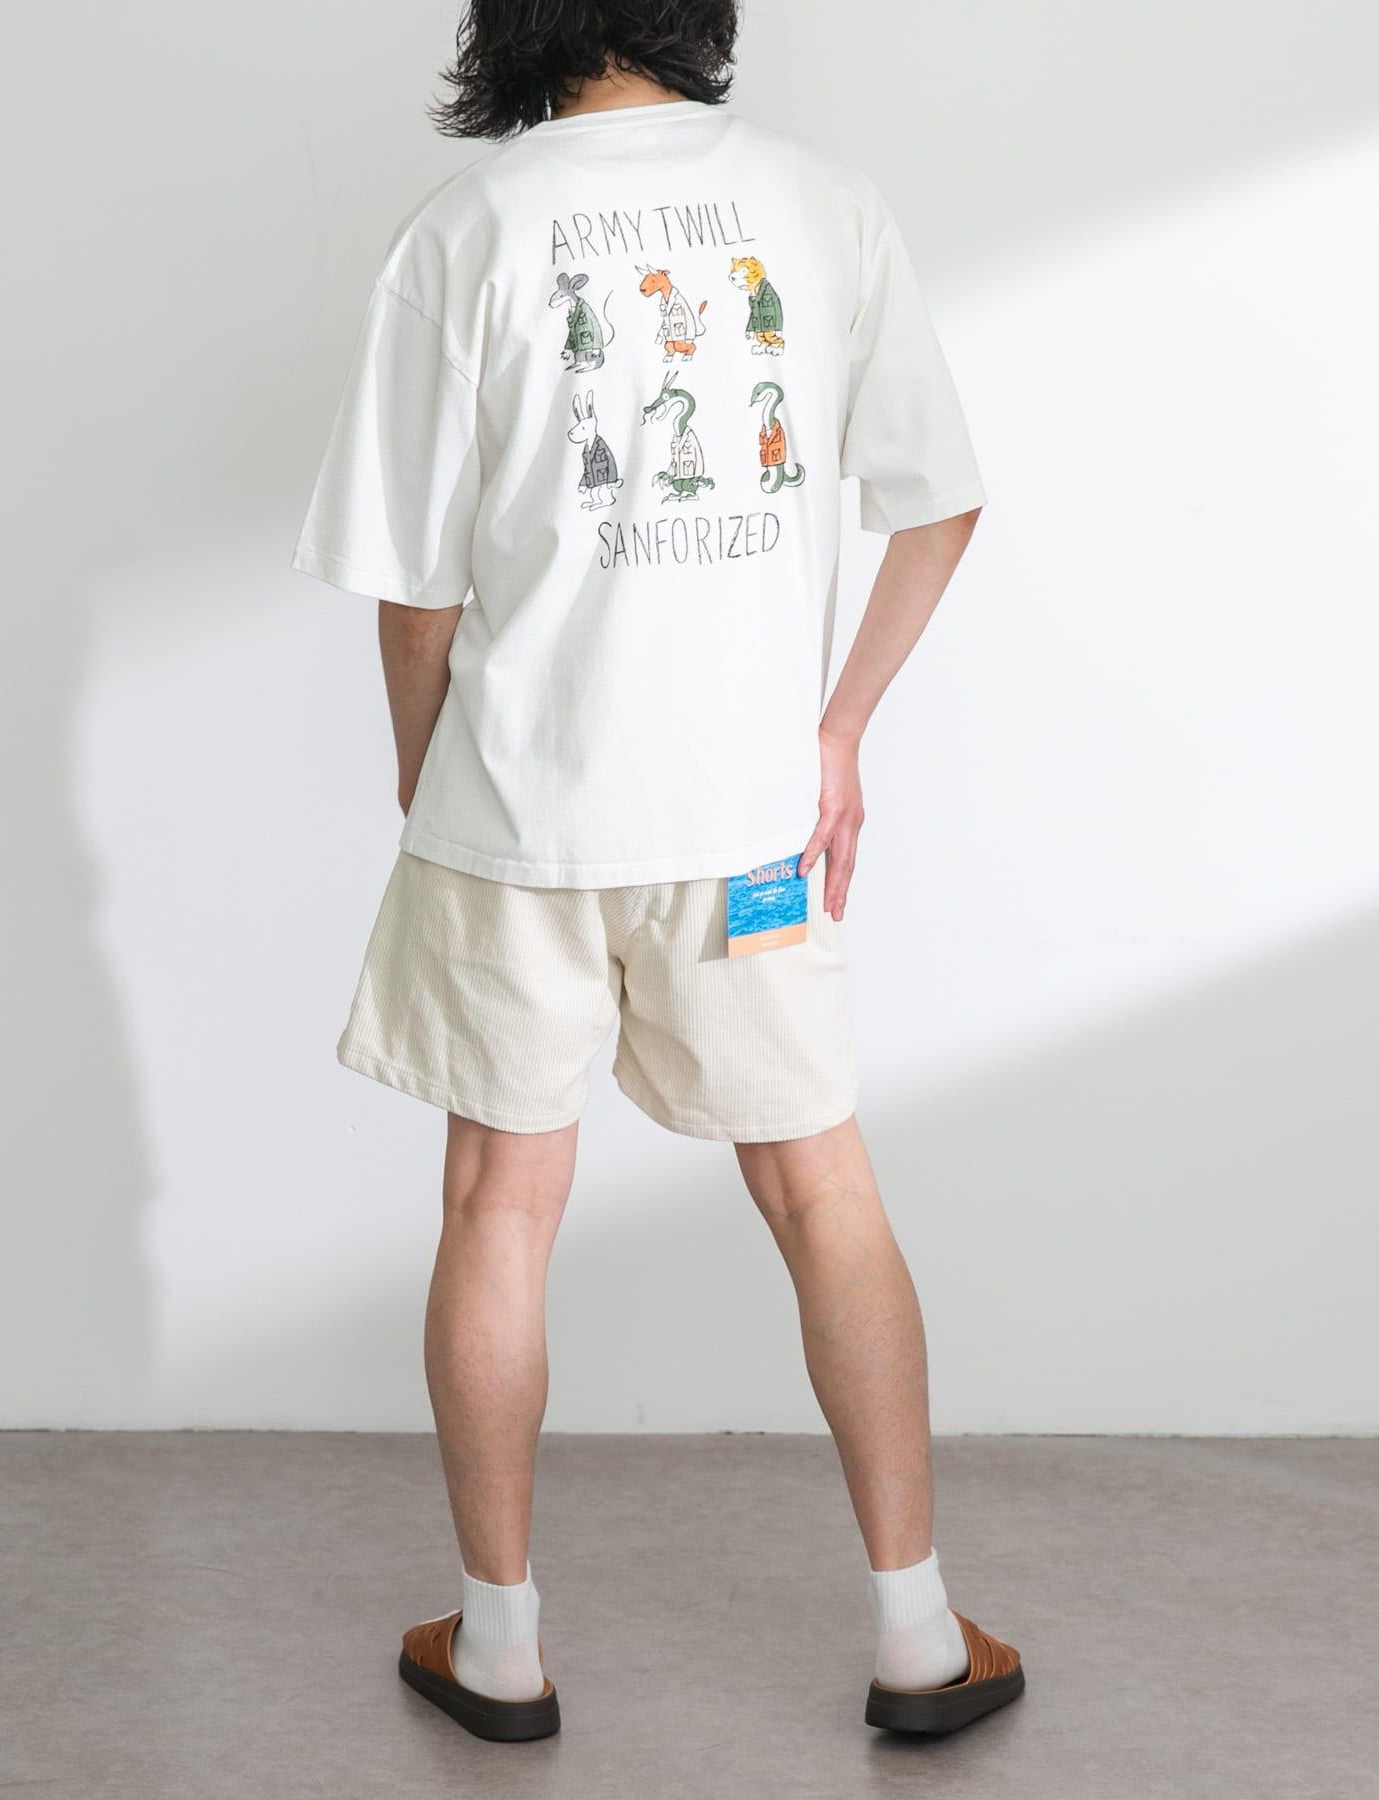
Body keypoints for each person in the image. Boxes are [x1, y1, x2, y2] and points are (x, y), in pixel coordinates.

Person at [293, 0, 1024, 1746]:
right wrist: (837, 731)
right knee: (822, 1192)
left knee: (498, 1205)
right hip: (745, 819)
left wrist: (428, 782)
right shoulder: (821, 202)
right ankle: (920, 1638)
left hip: (518, 812)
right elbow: (939, 501)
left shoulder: (465, 229)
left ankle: (499, 1646)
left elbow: (415, 595)